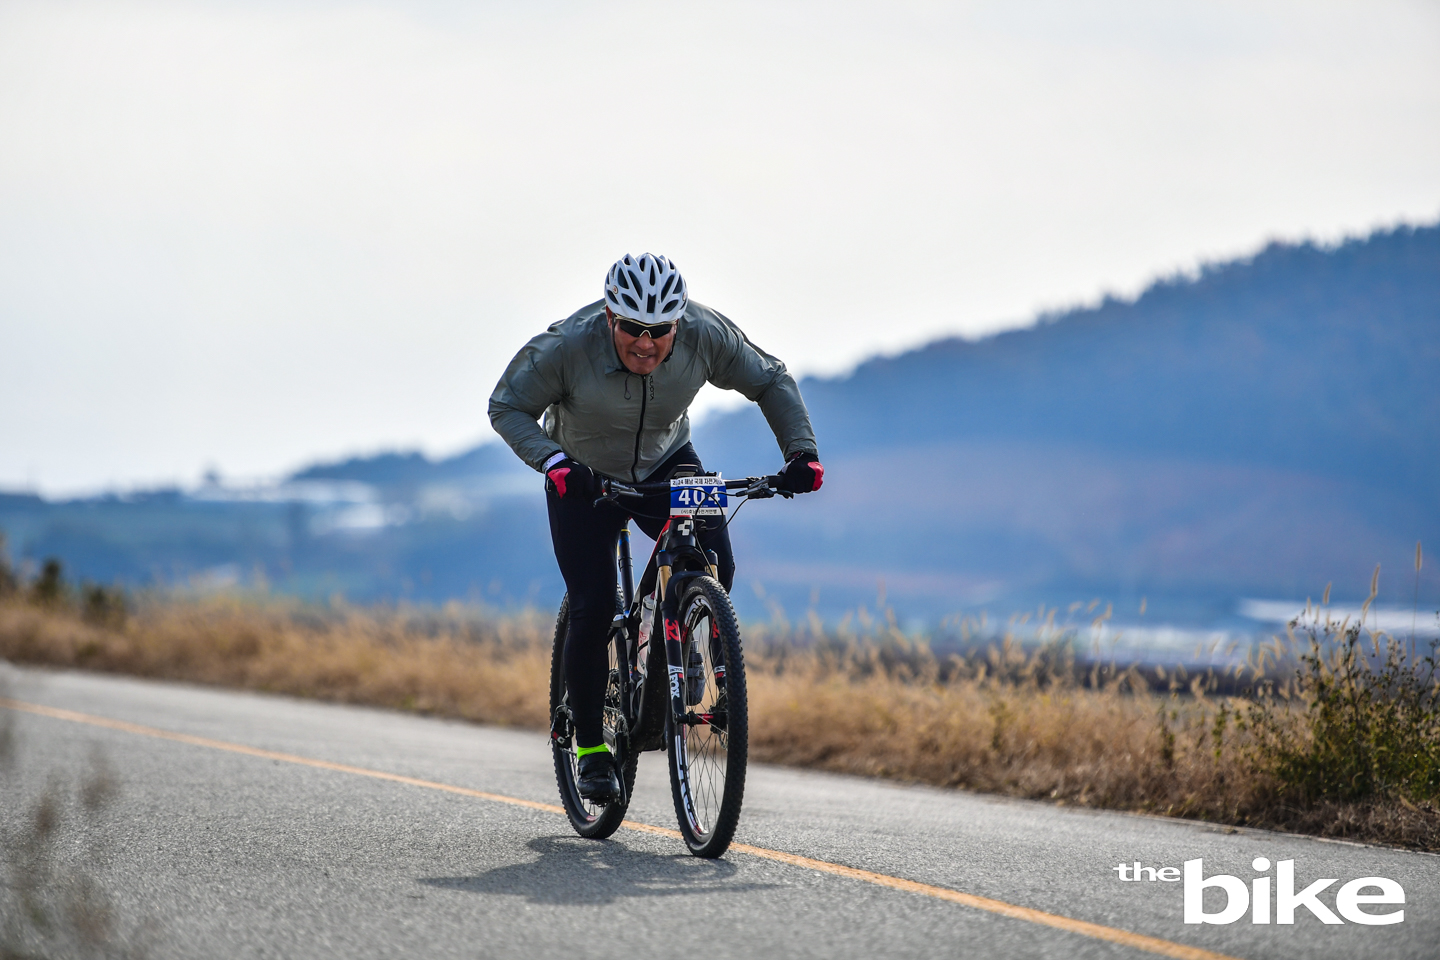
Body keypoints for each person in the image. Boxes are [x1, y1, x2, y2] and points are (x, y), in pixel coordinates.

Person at [489, 253, 824, 802]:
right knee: (594, 605)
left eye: (660, 331)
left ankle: (684, 634)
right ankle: (591, 749)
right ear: (609, 317)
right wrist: (553, 462)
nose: (646, 344)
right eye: (632, 329)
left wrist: (801, 452)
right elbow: (506, 407)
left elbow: (770, 379)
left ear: (678, 324)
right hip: (583, 475)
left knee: (715, 560)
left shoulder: (704, 334)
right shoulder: (566, 346)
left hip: (667, 460)